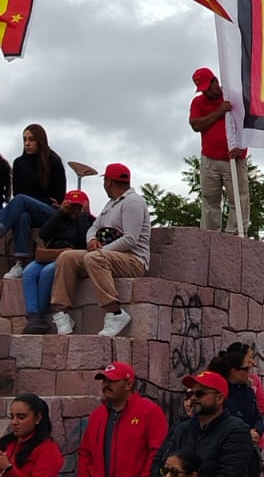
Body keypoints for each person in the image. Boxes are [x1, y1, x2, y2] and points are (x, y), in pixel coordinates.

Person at [50, 162, 151, 338]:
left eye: (105, 181)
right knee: (67, 257)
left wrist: (100, 252)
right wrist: (92, 239)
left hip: (133, 260)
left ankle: (115, 312)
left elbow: (130, 239)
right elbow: (94, 228)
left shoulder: (133, 202)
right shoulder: (110, 204)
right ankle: (62, 313)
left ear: (108, 182)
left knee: (93, 259)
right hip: (107, 256)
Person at [18, 189, 91, 333]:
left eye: (78, 206)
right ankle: (33, 315)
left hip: (68, 258)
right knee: (29, 272)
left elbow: (84, 242)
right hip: (51, 254)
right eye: (72, 206)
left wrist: (83, 216)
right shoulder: (59, 218)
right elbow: (43, 234)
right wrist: (60, 213)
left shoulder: (88, 221)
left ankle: (40, 314)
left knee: (47, 272)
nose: (75, 210)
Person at [0, 124, 68, 278]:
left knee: (21, 201)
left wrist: (31, 201)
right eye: (24, 139)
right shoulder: (19, 163)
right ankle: (20, 262)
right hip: (29, 210)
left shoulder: (53, 161)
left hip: (49, 212)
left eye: (31, 139)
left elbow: (59, 197)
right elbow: (18, 192)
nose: (27, 143)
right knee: (22, 216)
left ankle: (1, 225)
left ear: (40, 141)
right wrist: (32, 201)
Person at [190, 66, 249, 233]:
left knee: (239, 199)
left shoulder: (233, 96)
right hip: (210, 159)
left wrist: (241, 147)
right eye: (203, 90)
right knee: (210, 200)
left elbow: (248, 123)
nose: (207, 93)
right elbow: (196, 125)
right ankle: (210, 236)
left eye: (208, 88)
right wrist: (219, 112)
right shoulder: (198, 102)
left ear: (215, 81)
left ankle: (236, 234)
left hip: (234, 158)